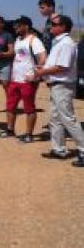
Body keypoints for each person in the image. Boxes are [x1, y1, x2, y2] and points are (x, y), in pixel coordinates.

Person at [35, 15, 84, 167]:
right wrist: (44, 70)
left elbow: (62, 67)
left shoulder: (66, 44)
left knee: (68, 119)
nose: (50, 27)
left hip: (62, 86)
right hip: (56, 85)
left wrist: (43, 72)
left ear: (63, 27)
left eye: (54, 24)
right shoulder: (59, 42)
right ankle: (59, 149)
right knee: (55, 119)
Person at [0, 16, 46, 142]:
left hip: (28, 81)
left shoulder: (34, 40)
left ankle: (29, 134)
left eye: (18, 26)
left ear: (26, 26)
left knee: (29, 108)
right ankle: (10, 130)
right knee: (10, 106)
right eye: (15, 27)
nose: (16, 29)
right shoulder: (18, 40)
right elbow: (18, 57)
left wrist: (36, 74)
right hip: (15, 80)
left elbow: (43, 57)